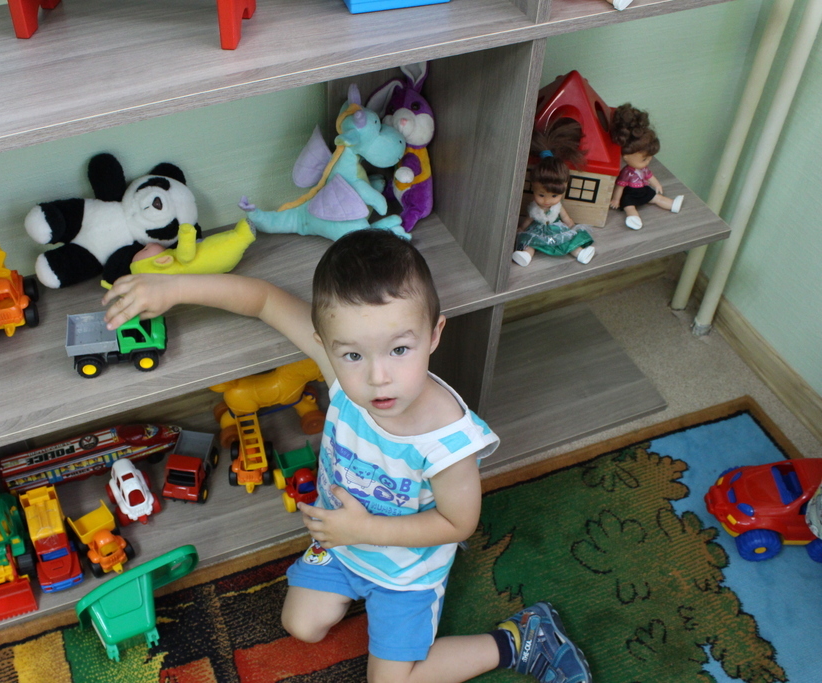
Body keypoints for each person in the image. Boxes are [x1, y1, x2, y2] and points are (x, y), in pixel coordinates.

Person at [103, 229, 592, 683]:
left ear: (433, 334)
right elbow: (263, 299)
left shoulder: (446, 440)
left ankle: (521, 640)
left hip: (406, 572)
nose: (378, 378)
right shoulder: (338, 375)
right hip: (342, 544)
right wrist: (173, 288)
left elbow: (458, 523)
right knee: (300, 625)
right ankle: (356, 581)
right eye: (354, 355)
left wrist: (365, 530)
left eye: (399, 349)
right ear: (325, 347)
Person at [513, 118, 596, 267]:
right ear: (533, 188)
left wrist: (572, 227)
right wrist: (522, 228)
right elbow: (528, 219)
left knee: (566, 241)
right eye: (541, 195)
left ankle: (579, 252)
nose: (547, 201)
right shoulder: (534, 207)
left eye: (554, 196)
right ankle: (526, 254)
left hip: (556, 229)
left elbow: (566, 218)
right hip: (538, 230)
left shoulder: (558, 207)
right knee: (530, 241)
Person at [609, 103, 684, 230]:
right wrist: (616, 200)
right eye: (644, 159)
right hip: (630, 193)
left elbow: (650, 176)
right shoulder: (627, 172)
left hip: (643, 189)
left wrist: (657, 185)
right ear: (626, 157)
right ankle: (633, 218)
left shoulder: (643, 168)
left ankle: (672, 204)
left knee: (656, 197)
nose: (648, 162)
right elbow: (620, 186)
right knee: (628, 205)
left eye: (649, 158)